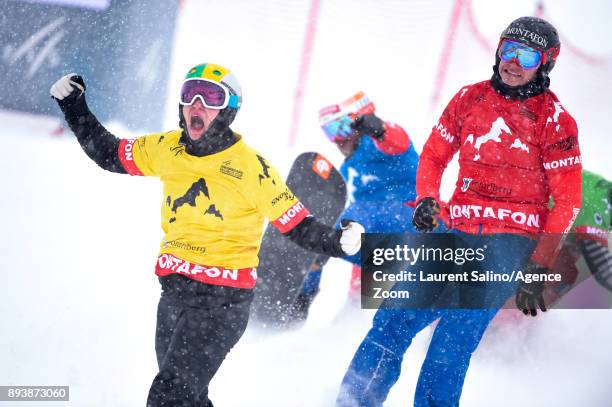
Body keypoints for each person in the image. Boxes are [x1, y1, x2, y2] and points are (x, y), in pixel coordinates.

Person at [50, 62, 364, 407]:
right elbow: (110, 154)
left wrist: (335, 241)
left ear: (228, 110)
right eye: (189, 95)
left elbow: (297, 225)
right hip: (174, 294)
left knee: (168, 397)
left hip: (222, 304)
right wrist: (74, 107)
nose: (197, 104)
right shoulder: (167, 148)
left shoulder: (250, 167)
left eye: (211, 97)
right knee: (190, 398)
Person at [337, 17, 582, 406]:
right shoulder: (470, 99)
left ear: (546, 63)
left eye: (527, 55)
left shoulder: (555, 121)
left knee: (451, 341)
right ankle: (352, 401)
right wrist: (427, 199)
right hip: (456, 229)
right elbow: (434, 156)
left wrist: (539, 264)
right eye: (508, 49)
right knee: (392, 321)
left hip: (510, 241)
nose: (512, 62)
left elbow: (568, 201)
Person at [292, 92, 425, 320]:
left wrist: (379, 129)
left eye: (341, 128)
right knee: (360, 304)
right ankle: (301, 302)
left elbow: (398, 140)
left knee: (332, 227)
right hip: (379, 237)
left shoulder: (377, 145)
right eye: (329, 132)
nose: (337, 139)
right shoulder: (348, 169)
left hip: (410, 220)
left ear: (358, 124)